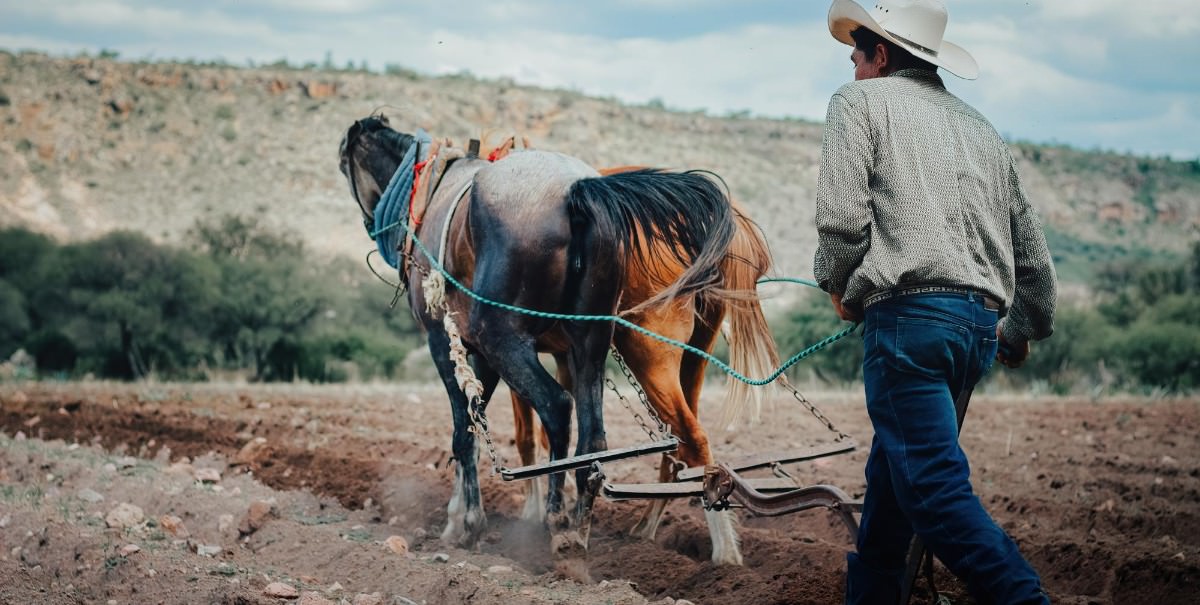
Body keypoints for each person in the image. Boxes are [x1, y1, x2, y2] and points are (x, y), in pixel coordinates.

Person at [813, 1, 1057, 603]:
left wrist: (838, 288)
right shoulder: (982, 130)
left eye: (857, 48)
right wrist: (1019, 329)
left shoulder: (858, 103)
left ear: (884, 54)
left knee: (933, 492)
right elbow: (1035, 261)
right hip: (974, 330)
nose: (849, 57)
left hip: (908, 328)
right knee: (893, 488)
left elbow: (842, 221)